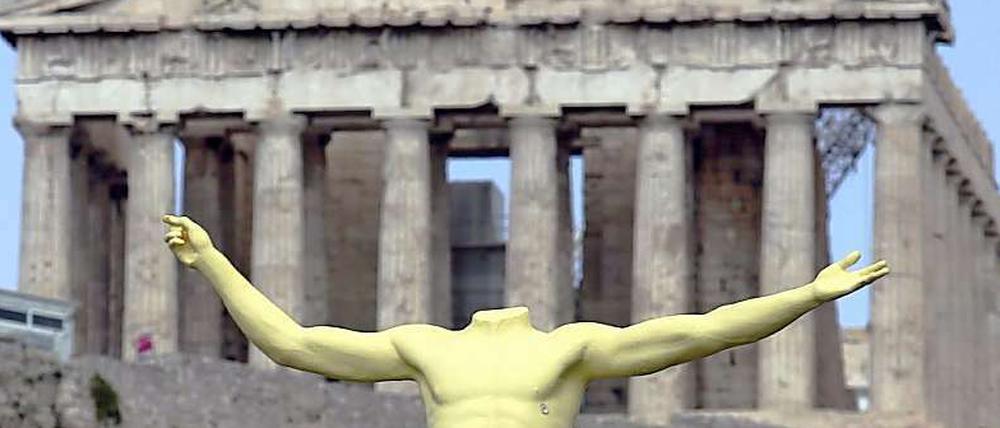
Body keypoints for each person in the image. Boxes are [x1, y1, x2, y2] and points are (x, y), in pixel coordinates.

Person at [162, 214, 889, 428]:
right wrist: (214, 261)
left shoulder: (571, 347)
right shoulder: (423, 348)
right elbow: (292, 344)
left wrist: (808, 295)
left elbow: (703, 331)